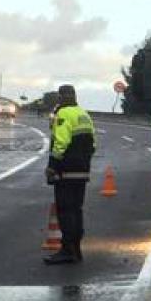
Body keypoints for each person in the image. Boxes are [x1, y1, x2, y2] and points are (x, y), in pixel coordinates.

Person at [43, 84, 95, 265]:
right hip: (82, 170)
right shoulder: (84, 114)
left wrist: (52, 166)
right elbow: (93, 144)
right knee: (76, 210)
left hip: (66, 170)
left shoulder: (64, 114)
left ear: (60, 97)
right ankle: (76, 249)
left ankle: (67, 250)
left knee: (65, 211)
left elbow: (61, 143)